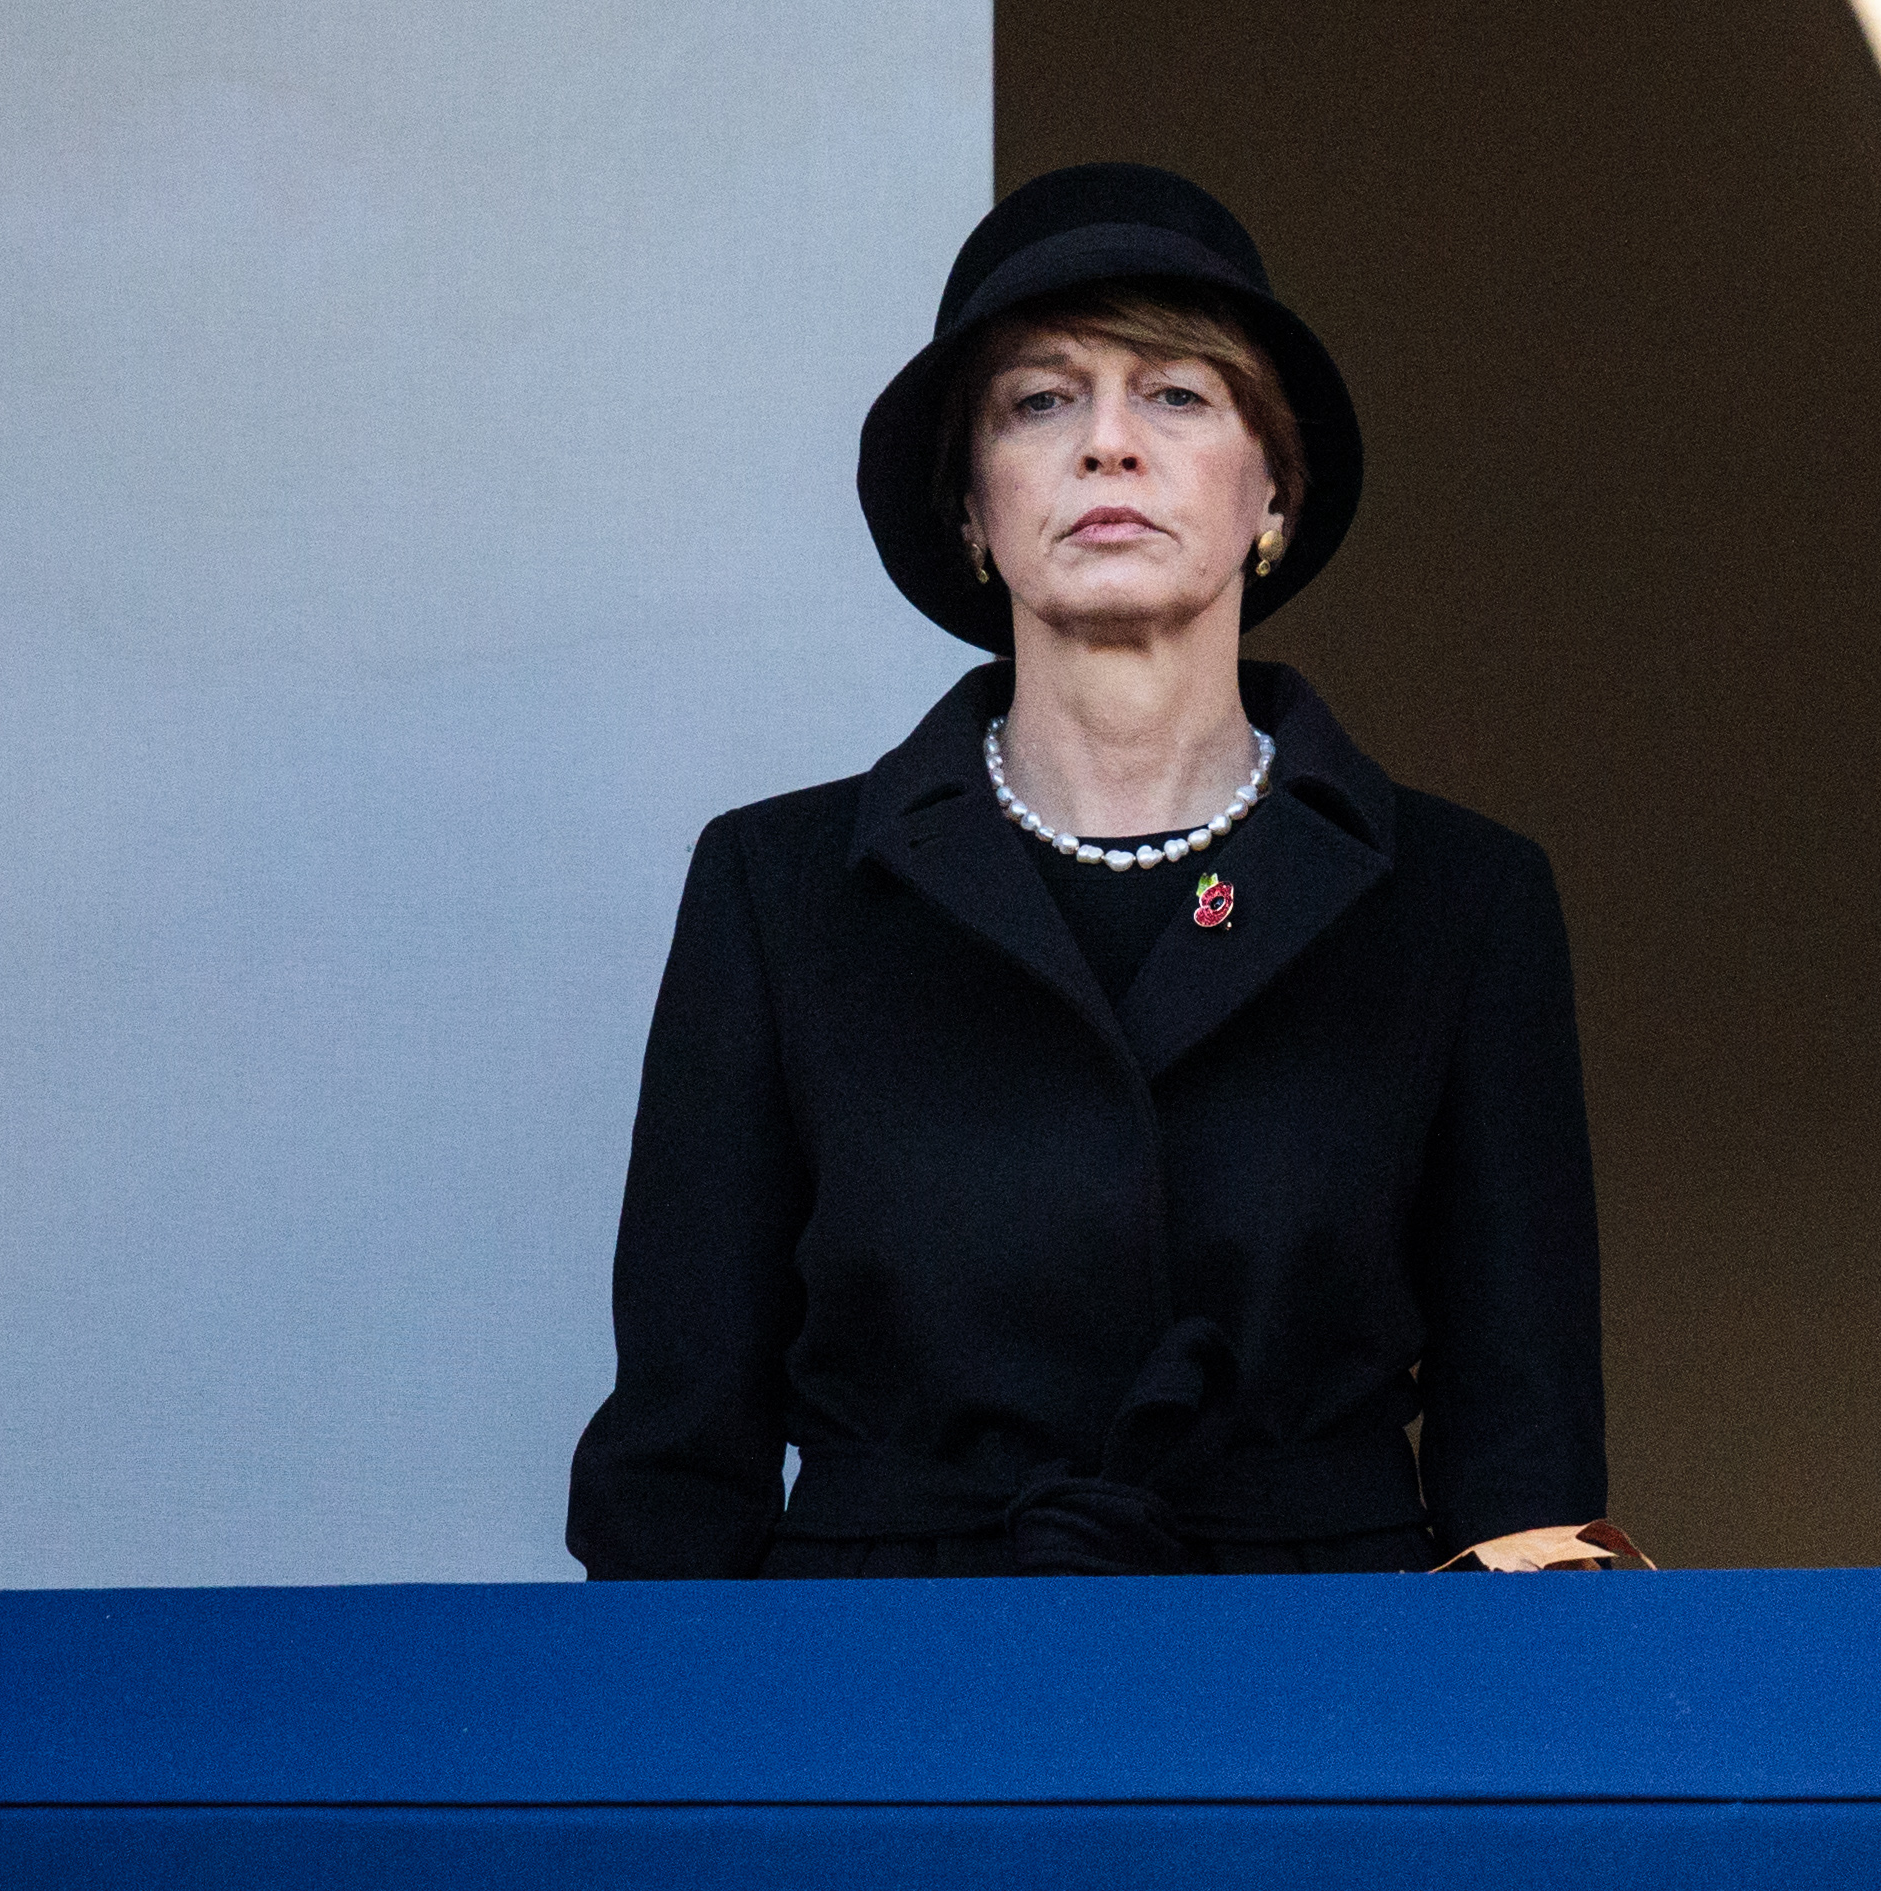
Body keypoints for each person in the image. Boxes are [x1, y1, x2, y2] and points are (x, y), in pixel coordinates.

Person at [571, 164, 1622, 1577]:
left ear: (1273, 487)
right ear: (970, 505)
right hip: (888, 1670)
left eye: (1177, 395)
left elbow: (1525, 1461)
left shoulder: (1460, 899)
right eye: (1040, 402)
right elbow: (676, 1461)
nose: (1108, 446)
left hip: (1322, 1671)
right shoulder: (777, 889)